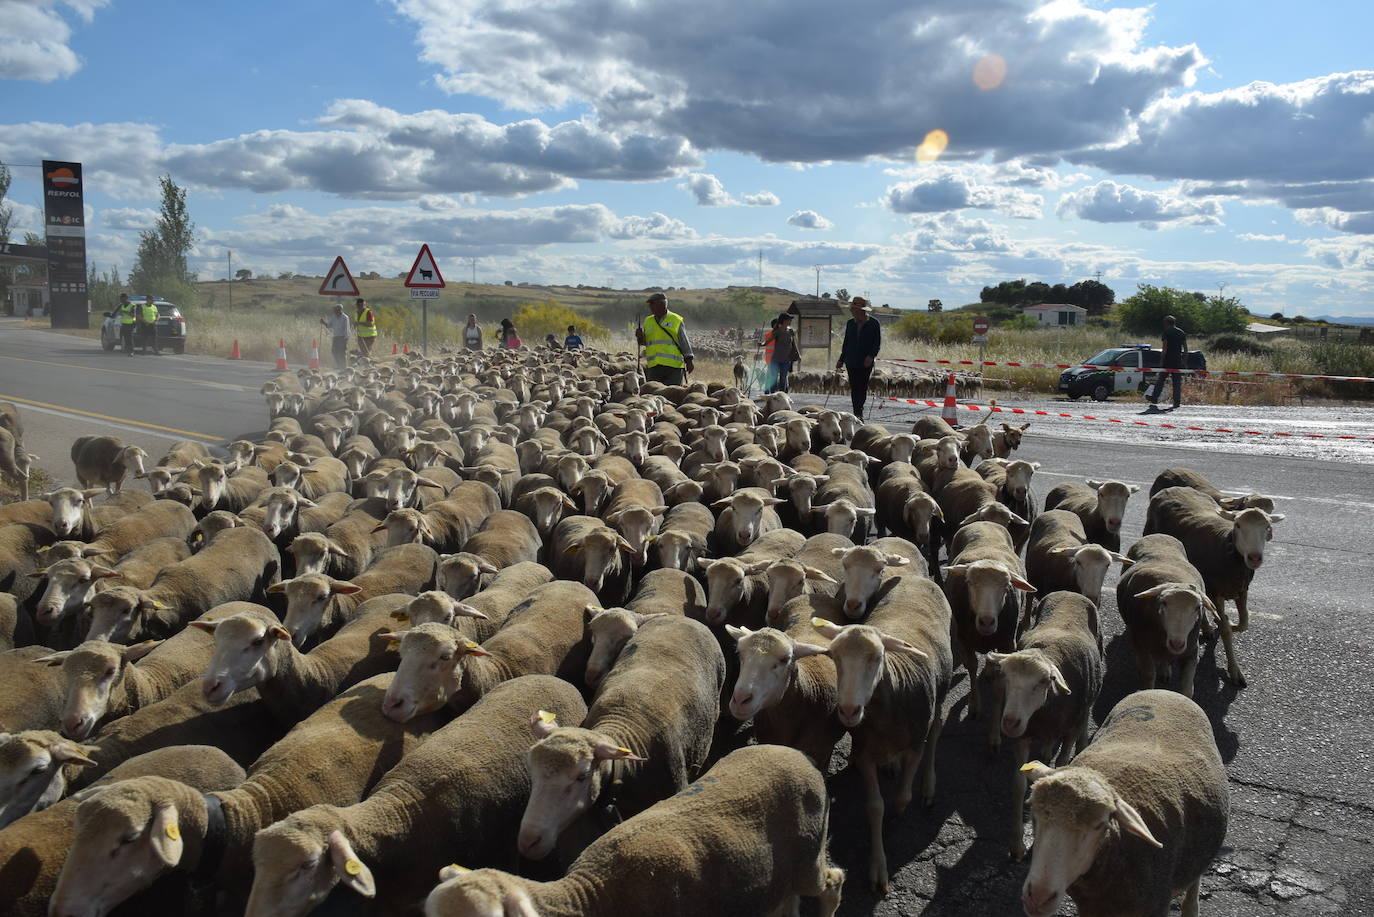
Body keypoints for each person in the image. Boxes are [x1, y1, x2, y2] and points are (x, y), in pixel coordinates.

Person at [635, 291, 695, 385]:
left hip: (673, 366)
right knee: (653, 395)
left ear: (662, 304)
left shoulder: (675, 320)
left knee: (672, 395)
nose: (650, 307)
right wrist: (640, 337)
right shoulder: (648, 321)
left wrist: (689, 360)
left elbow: (683, 340)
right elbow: (645, 342)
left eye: (652, 304)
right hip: (654, 366)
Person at [836, 297, 881, 419]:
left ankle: (859, 408)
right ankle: (857, 412)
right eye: (852, 309)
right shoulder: (850, 323)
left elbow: (876, 343)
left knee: (862, 386)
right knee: (854, 387)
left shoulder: (874, 323)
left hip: (866, 361)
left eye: (854, 309)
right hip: (851, 360)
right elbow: (846, 343)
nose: (852, 311)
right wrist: (841, 359)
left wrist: (871, 356)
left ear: (861, 310)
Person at [1145, 314, 1187, 411]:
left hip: (1168, 360)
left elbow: (1165, 348)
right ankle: (1177, 401)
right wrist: (1184, 361)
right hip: (1177, 360)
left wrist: (1161, 360)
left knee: (1161, 380)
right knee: (1176, 382)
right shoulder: (1181, 332)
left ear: (1166, 323)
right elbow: (1185, 348)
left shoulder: (1166, 332)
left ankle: (1154, 398)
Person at [769, 312, 800, 394]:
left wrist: (797, 354)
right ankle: (772, 395)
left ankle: (782, 395)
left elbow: (794, 343)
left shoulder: (790, 331)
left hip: (786, 358)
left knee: (783, 378)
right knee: (774, 379)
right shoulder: (777, 331)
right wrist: (761, 344)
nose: (790, 321)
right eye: (789, 319)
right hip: (776, 358)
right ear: (784, 321)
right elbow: (768, 342)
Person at [320, 304, 352, 369]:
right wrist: (323, 322)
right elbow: (329, 325)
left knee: (342, 352)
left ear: (340, 310)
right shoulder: (333, 317)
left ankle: (344, 367)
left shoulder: (345, 317)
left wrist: (346, 339)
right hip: (336, 337)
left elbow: (347, 329)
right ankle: (339, 365)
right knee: (334, 351)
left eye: (336, 310)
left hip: (343, 337)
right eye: (334, 310)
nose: (335, 311)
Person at [762, 317, 779, 392]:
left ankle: (767, 390)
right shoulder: (777, 335)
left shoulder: (768, 335)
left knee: (770, 375)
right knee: (773, 376)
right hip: (774, 358)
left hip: (769, 358)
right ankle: (772, 391)